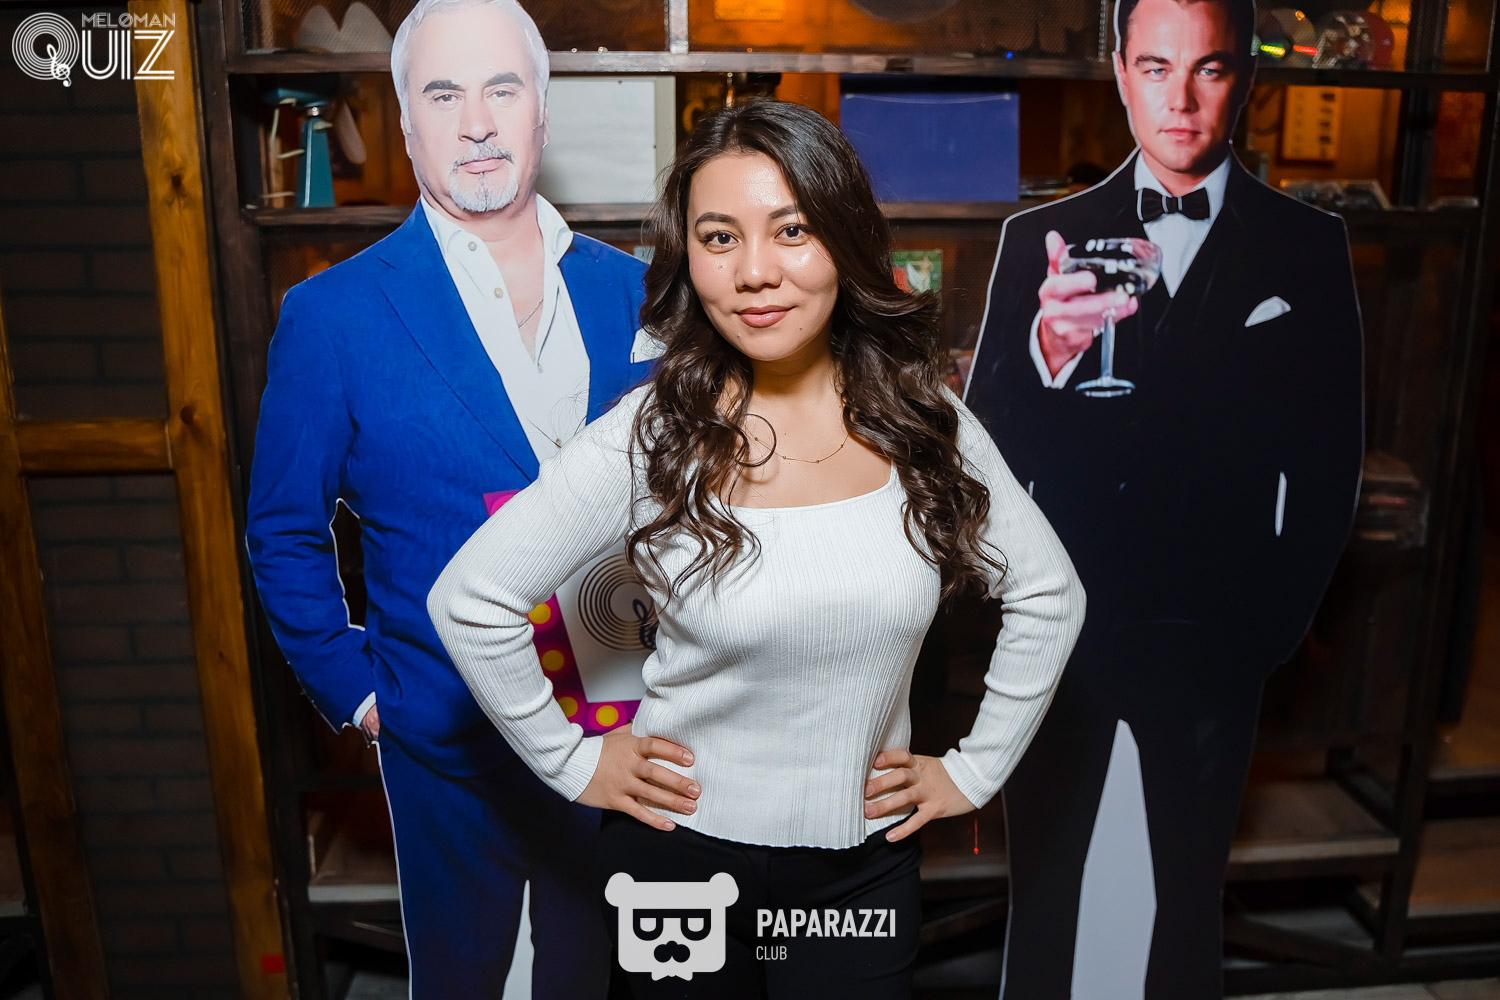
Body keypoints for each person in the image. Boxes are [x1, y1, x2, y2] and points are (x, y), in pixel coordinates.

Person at [427, 100, 1086, 998]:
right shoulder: (653, 435)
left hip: (862, 868)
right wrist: (571, 761)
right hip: (676, 862)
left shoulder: (924, 424)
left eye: (792, 230)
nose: (755, 273)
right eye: (719, 237)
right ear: (689, 258)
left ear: (843, 241)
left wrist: (974, 772)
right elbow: (472, 598)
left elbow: (1049, 595)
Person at [243, 0, 653, 995]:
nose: (476, 123)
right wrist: (361, 693)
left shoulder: (638, 292)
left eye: (502, 90)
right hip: (449, 740)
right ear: (406, 121)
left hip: (625, 723)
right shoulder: (331, 315)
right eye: (442, 94)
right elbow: (283, 530)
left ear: (542, 111)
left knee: (610, 975)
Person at [962, 0, 1364, 995]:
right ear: (1118, 70)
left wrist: (1270, 629)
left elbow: (1329, 463)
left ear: (1246, 78)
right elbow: (983, 451)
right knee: (1045, 891)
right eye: (1155, 67)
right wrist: (1048, 355)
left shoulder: (1308, 247)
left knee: (1184, 902)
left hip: (1215, 637)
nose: (1180, 99)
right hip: (1067, 629)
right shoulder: (1042, 237)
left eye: (1209, 69)